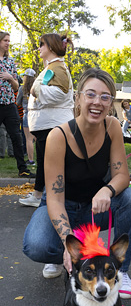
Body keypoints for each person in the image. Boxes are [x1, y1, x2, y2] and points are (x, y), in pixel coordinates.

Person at [22, 68, 131, 299]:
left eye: (105, 96)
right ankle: (63, 258)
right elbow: (55, 198)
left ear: (111, 102)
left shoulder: (112, 127)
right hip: (62, 206)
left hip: (94, 209)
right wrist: (70, 248)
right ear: (77, 97)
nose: (97, 102)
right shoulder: (58, 136)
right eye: (90, 94)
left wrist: (106, 191)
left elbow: (122, 176)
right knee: (36, 245)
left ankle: (121, 271)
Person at [19, 33, 75, 208]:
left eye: (41, 44)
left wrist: (37, 90)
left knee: (50, 163)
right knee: (45, 162)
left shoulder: (57, 68)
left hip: (53, 124)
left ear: (50, 47)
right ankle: (39, 194)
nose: (39, 47)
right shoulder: (53, 67)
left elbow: (61, 93)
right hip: (48, 125)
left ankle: (47, 197)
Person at [0, 31, 35, 177]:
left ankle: (23, 170)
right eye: (5, 40)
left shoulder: (10, 62)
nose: (8, 43)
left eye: (9, 40)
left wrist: (9, 77)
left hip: (9, 105)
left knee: (17, 137)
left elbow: (16, 87)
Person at [16, 68, 36, 165]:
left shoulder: (22, 88)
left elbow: (17, 102)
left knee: (29, 139)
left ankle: (31, 160)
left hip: (27, 114)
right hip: (37, 114)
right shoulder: (37, 88)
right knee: (37, 138)